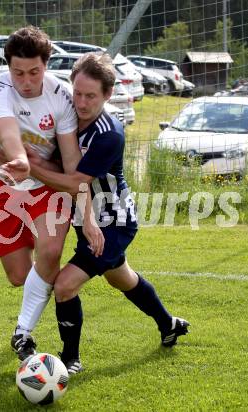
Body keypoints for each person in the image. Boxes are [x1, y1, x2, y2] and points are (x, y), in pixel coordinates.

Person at [16, 53, 190, 374]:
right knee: (122, 278)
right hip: (88, 221)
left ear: (108, 94)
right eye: (77, 93)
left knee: (66, 285)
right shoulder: (66, 115)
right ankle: (169, 324)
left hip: (113, 223)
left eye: (91, 96)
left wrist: (31, 167)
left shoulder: (109, 134)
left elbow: (73, 183)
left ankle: (69, 360)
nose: (81, 102)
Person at [0, 27, 103, 361]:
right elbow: (7, 135)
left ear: (46, 65)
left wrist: (88, 216)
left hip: (48, 186)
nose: (26, 81)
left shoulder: (61, 95)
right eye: (18, 72)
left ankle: (23, 334)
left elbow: (73, 161)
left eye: (34, 72)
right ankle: (30, 309)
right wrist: (19, 160)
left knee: (50, 252)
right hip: (3, 183)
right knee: (19, 277)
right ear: (8, 68)